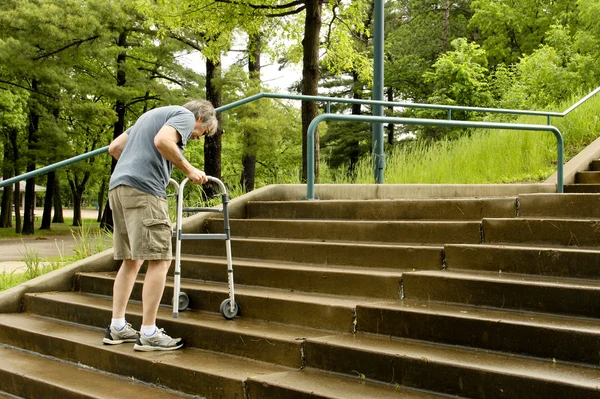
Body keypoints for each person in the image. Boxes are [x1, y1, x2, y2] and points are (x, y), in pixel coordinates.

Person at [102, 99, 218, 351]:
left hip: (119, 187)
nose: (197, 138)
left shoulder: (149, 117)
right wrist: (188, 169)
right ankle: (149, 332)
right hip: (145, 192)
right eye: (203, 133)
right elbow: (163, 141)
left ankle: (118, 327)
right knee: (161, 260)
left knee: (132, 260)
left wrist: (138, 166)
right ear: (200, 119)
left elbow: (114, 147)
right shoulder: (185, 117)